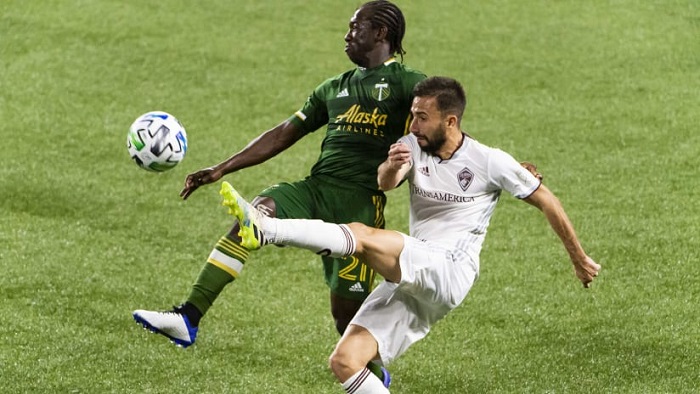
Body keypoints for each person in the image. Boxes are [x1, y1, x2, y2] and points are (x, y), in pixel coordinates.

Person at [218, 76, 601, 393]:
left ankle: (266, 229)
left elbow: (548, 202)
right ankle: (266, 230)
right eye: (413, 115)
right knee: (346, 361)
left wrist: (579, 259)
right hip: (415, 280)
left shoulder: (488, 161)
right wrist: (391, 165)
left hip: (451, 268)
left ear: (450, 121)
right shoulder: (410, 146)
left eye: (421, 117)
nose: (413, 124)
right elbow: (386, 183)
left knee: (361, 236)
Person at [133, 0, 425, 386]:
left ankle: (372, 377)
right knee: (254, 217)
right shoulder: (334, 88)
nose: (347, 34)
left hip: (360, 209)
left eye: (356, 27)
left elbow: (442, 124)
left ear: (381, 33)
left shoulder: (409, 84)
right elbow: (284, 133)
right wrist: (222, 167)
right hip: (314, 190)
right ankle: (188, 317)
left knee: (345, 319)